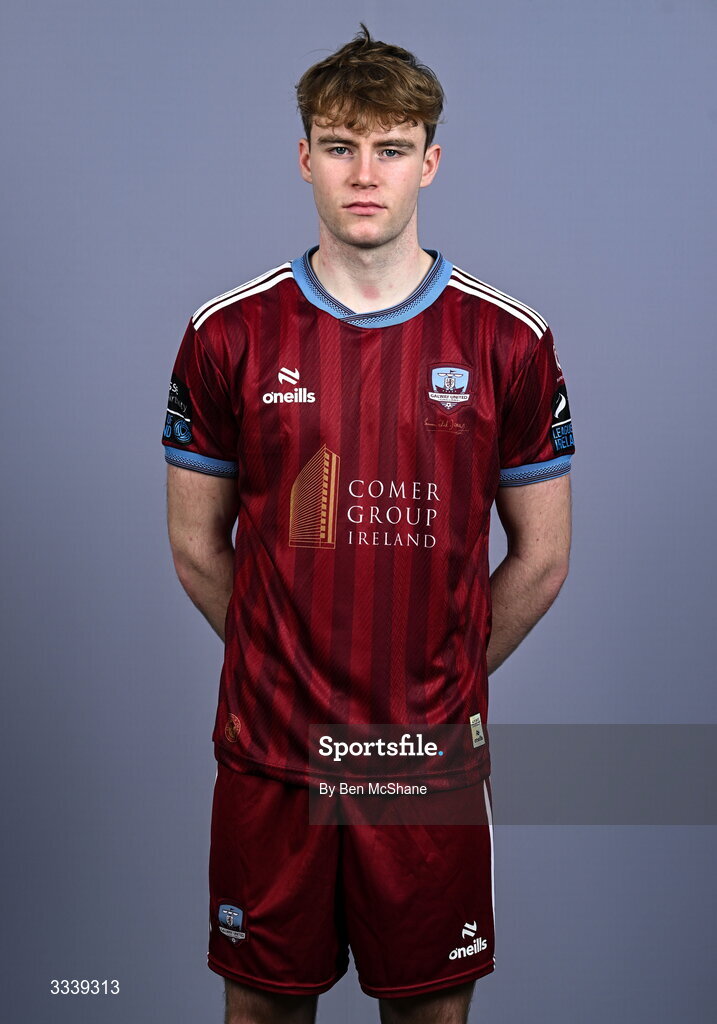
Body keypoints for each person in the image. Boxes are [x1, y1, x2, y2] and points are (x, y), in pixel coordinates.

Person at [162, 23, 574, 1024]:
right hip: (271, 757)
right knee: (261, 1011)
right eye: (340, 145)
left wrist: (434, 679)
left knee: (429, 1016)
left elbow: (544, 556)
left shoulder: (507, 340)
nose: (365, 172)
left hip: (419, 765)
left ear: (430, 160)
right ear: (304, 157)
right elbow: (194, 544)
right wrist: (283, 661)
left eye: (391, 147)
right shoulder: (228, 335)